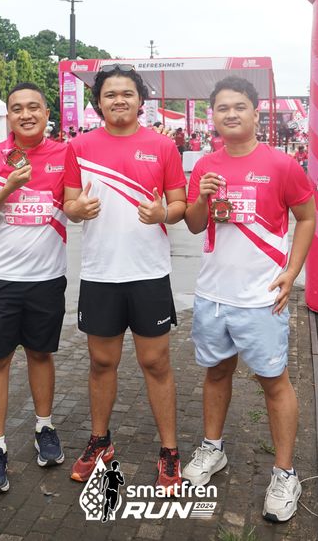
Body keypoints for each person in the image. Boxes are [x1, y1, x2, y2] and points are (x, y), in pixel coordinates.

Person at [182, 76, 315, 523]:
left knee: (273, 381)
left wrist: (292, 272)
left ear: (256, 113)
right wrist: (201, 197)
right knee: (216, 373)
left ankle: (285, 473)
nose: (231, 114)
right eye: (222, 108)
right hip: (213, 295)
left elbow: (307, 217)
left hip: (261, 298)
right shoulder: (205, 164)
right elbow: (194, 225)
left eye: (239, 106)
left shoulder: (281, 164)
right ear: (213, 117)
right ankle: (212, 448)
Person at [63, 64, 187, 495]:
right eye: (110, 94)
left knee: (156, 363)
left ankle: (169, 450)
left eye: (127, 93)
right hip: (100, 274)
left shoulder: (162, 146)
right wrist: (76, 210)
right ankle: (100, 441)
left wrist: (164, 213)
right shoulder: (79, 147)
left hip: (148, 273)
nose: (119, 100)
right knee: (101, 363)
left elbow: (179, 204)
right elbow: (69, 203)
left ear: (140, 100)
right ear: (98, 102)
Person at [0, 82, 68, 495]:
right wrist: (7, 187)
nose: (26, 114)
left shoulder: (65, 154)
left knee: (41, 353)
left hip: (47, 278)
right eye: (17, 108)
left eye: (33, 107)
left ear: (47, 113)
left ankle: (44, 427)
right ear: (7, 116)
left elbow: (74, 204)